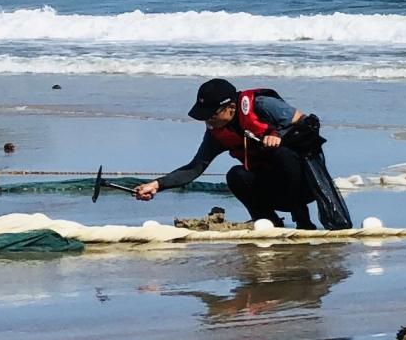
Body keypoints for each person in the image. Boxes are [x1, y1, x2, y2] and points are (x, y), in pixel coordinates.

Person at [136, 78, 347, 229]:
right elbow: (194, 168)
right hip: (273, 190)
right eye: (204, 117)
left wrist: (279, 136)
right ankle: (268, 223)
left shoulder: (262, 105)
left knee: (282, 154)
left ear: (230, 107)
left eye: (211, 115)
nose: (208, 122)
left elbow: (308, 124)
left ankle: (304, 222)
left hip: (305, 187)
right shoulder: (217, 134)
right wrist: (156, 184)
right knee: (235, 175)